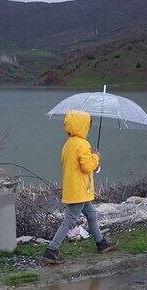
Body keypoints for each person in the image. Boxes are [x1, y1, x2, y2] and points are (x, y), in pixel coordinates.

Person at [43, 111, 117, 264]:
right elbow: (86, 166)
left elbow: (75, 165)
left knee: (91, 214)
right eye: (88, 124)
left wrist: (92, 162)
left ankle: (101, 243)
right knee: (69, 220)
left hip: (73, 188)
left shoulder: (68, 144)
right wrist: (95, 157)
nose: (89, 127)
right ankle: (51, 250)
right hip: (80, 190)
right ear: (82, 126)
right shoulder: (83, 144)